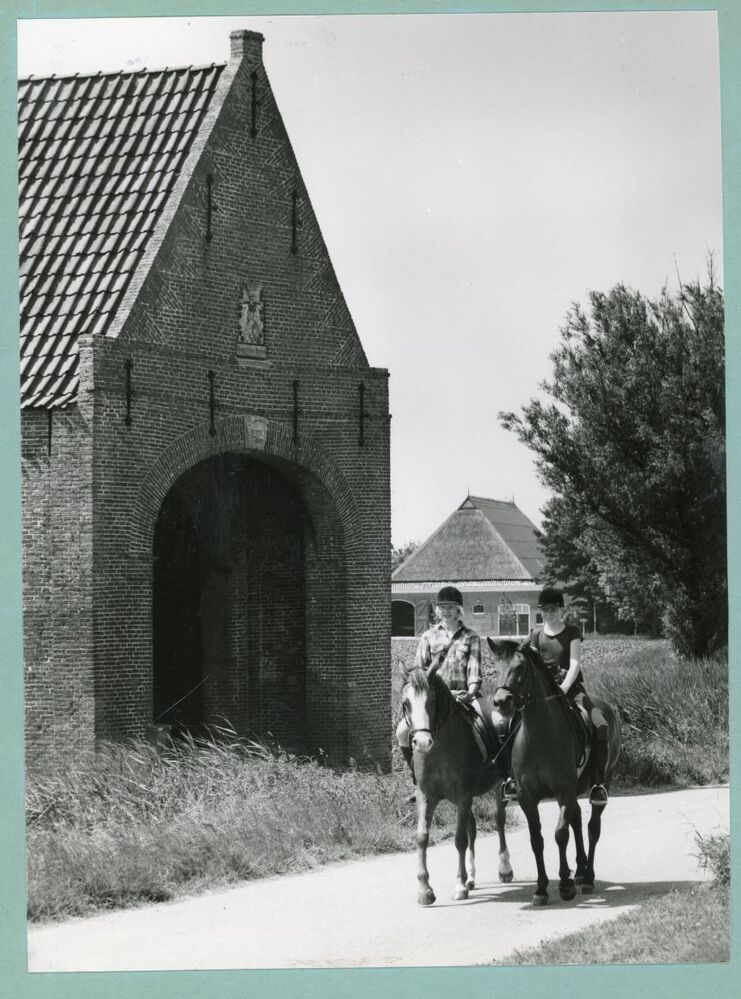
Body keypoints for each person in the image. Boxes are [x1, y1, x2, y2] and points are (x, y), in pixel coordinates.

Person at [501, 586, 609, 806]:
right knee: (509, 723)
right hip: (541, 692)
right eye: (544, 610)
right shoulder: (535, 634)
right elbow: (528, 663)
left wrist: (565, 687)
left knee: (600, 723)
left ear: (561, 610)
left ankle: (597, 783)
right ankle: (512, 778)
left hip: (571, 689)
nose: (548, 613)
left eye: (552, 609)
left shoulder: (572, 632)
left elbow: (575, 664)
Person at [397, 586, 482, 799]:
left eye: (451, 607)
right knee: (401, 732)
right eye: (442, 607)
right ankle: (417, 781)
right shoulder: (428, 636)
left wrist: (471, 692)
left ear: (459, 610)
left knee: (495, 722)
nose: (446, 611)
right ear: (437, 610)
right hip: (433, 699)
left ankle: (500, 773)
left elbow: (474, 670)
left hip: (463, 695)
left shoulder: (471, 636)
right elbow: (419, 672)